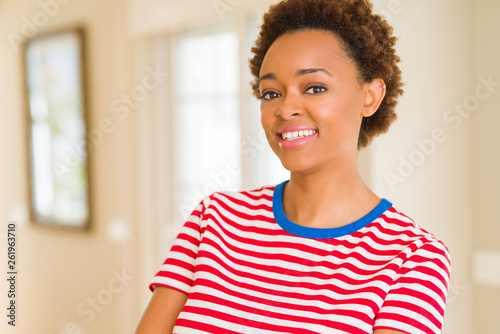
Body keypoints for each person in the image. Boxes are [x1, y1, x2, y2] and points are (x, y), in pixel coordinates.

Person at [135, 0, 451, 333]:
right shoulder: (213, 221)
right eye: (271, 93)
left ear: (369, 96)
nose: (286, 109)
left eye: (315, 88)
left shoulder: (413, 259)